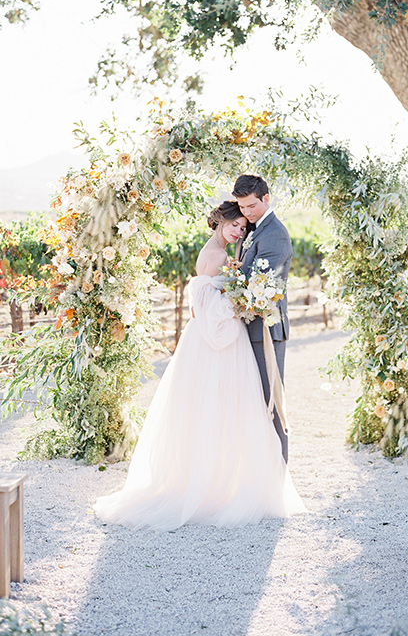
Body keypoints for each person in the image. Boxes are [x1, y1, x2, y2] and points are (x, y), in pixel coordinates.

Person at [94, 201, 305, 530]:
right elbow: (210, 309)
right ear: (219, 222)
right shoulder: (218, 256)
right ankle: (221, 485)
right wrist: (238, 300)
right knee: (224, 408)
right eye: (233, 224)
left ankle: (222, 480)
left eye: (242, 227)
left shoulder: (217, 250)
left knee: (213, 409)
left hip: (206, 338)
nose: (238, 230)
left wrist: (237, 293)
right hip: (216, 339)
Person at [232, 175, 292, 463]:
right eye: (242, 207)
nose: (247, 213)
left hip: (266, 330)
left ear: (267, 198)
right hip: (247, 326)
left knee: (271, 401)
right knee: (252, 402)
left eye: (252, 206)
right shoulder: (252, 229)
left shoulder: (275, 234)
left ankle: (277, 473)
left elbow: (262, 286)